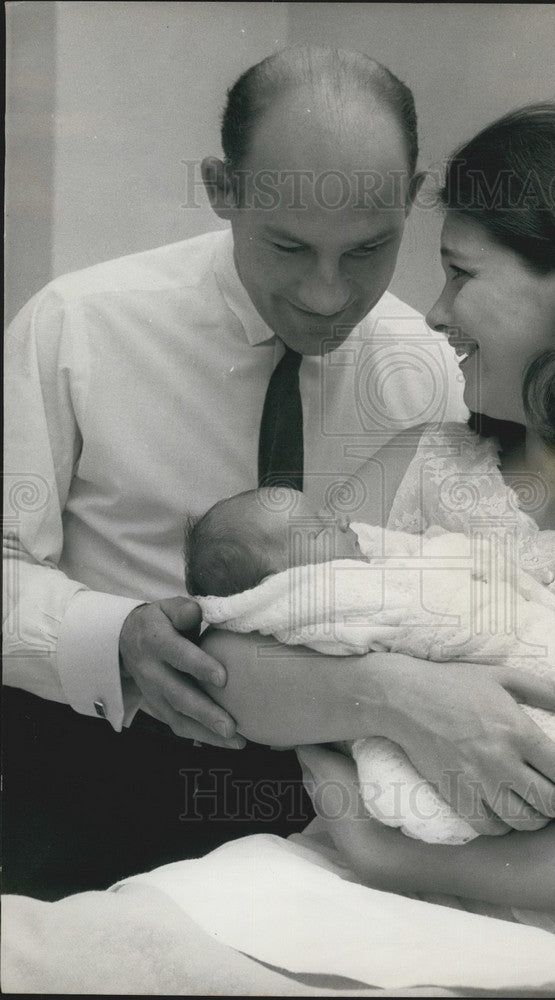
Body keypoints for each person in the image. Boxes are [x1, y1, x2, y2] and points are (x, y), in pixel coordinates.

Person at [139, 102, 555, 977]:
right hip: (353, 896)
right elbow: (233, 662)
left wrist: (405, 857)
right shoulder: (426, 461)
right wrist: (399, 695)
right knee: (101, 944)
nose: (436, 311)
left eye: (458, 273)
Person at [2, 44, 485, 896]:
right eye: (290, 247)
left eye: (369, 250)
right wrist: (107, 634)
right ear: (223, 189)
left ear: (411, 200)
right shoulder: (77, 326)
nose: (329, 295)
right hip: (90, 780)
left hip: (338, 807)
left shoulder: (431, 371)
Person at [184, 484, 555, 847]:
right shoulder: (323, 594)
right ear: (278, 582)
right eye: (317, 529)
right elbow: (222, 666)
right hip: (390, 851)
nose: (342, 523)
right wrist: (392, 692)